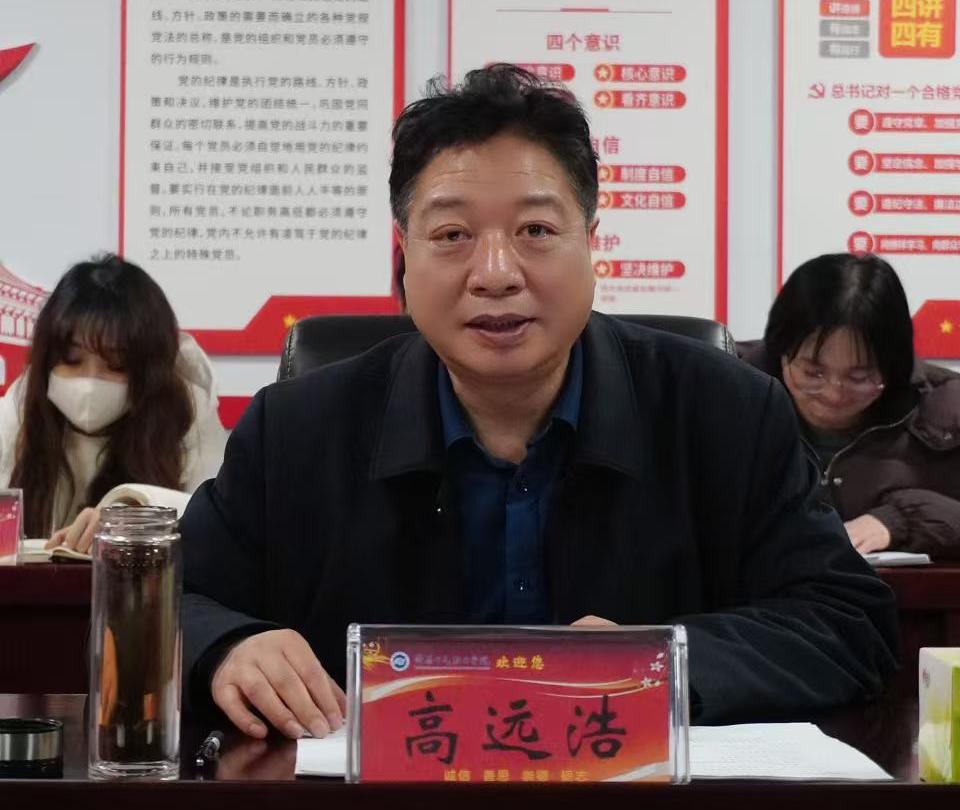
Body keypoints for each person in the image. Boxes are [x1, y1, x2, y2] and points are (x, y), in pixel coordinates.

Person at [180, 65, 897, 740]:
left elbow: (847, 622)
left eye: (536, 232)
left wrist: (665, 663)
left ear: (591, 242)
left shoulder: (728, 415)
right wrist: (226, 645)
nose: (495, 274)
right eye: (453, 235)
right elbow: (169, 600)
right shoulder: (295, 431)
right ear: (404, 253)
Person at [0, 254, 228, 550]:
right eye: (72, 359)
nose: (90, 382)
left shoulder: (186, 413)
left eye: (116, 365)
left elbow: (218, 519)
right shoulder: (21, 408)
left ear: (149, 372)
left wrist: (134, 513)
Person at [740, 252, 960, 558]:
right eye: (813, 373)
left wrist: (899, 520)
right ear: (781, 352)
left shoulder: (947, 409)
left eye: (860, 377)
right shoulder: (729, 392)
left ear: (893, 365)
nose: (834, 394)